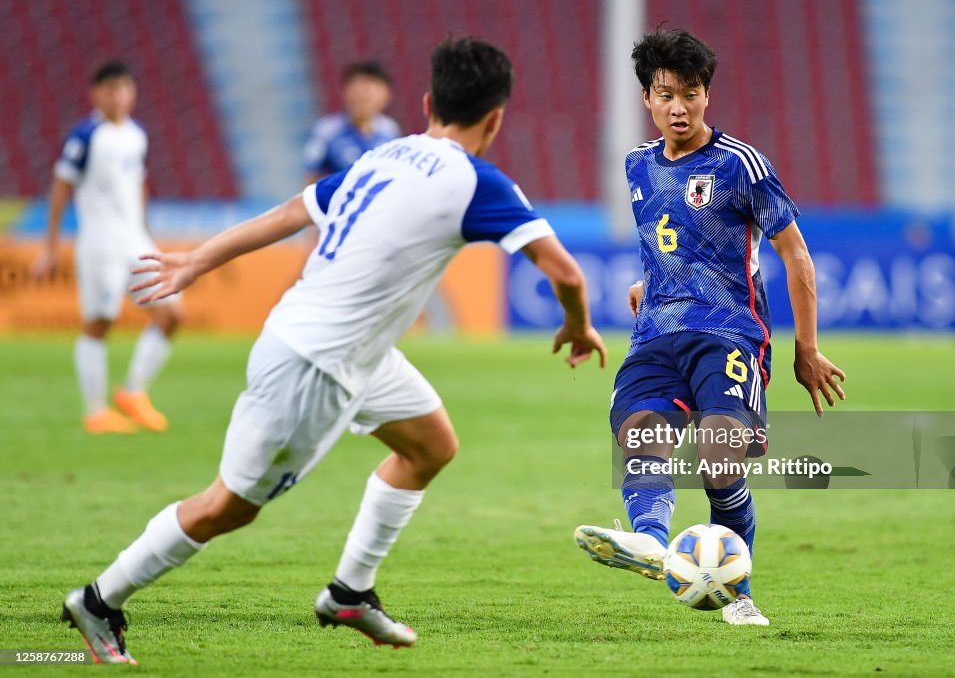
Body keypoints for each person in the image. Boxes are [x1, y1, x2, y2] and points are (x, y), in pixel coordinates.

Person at [61, 37, 607, 664]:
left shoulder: (384, 156)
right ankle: (100, 601)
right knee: (226, 508)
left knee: (430, 445)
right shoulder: (479, 182)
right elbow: (565, 273)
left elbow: (294, 212)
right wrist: (578, 325)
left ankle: (350, 593)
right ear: (496, 119)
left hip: (349, 348)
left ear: (428, 102)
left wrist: (199, 259)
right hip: (313, 365)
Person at [574, 29, 846, 626]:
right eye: (665, 94)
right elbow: (666, 241)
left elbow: (795, 255)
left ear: (706, 95)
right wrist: (653, 281)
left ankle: (738, 593)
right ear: (647, 98)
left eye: (691, 93)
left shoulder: (740, 165)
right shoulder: (637, 165)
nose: (679, 107)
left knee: (721, 458)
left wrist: (807, 349)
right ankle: (648, 540)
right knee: (640, 433)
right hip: (655, 334)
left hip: (728, 332)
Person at [31, 61, 182, 434]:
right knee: (100, 323)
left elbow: (138, 185)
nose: (119, 96)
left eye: (125, 88)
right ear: (96, 93)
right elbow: (60, 189)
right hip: (100, 244)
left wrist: (145, 231)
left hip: (135, 240)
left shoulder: (136, 134)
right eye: (111, 89)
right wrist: (50, 247)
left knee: (173, 313)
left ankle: (132, 391)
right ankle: (96, 411)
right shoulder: (86, 136)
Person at [303, 60, 400, 184]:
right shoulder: (327, 130)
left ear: (386, 96)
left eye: (371, 89)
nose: (363, 94)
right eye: (358, 88)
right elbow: (311, 174)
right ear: (345, 91)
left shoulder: (389, 130)